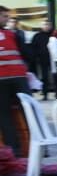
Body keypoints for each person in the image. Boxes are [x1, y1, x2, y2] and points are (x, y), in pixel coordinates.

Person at [0, 9, 29, 153]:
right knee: (28, 112)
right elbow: (26, 54)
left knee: (5, 115)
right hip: (18, 78)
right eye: (4, 16)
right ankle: (35, 144)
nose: (7, 19)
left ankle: (14, 150)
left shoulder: (12, 34)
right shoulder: (13, 34)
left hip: (4, 80)